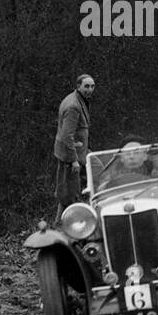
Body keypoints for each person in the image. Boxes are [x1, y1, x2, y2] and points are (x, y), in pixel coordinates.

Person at [53, 74, 94, 220]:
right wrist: (73, 160)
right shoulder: (73, 106)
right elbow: (67, 135)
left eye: (92, 86)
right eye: (86, 86)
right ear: (78, 86)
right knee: (69, 193)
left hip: (79, 150)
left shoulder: (78, 100)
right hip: (70, 154)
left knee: (97, 171)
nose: (90, 90)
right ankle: (64, 224)